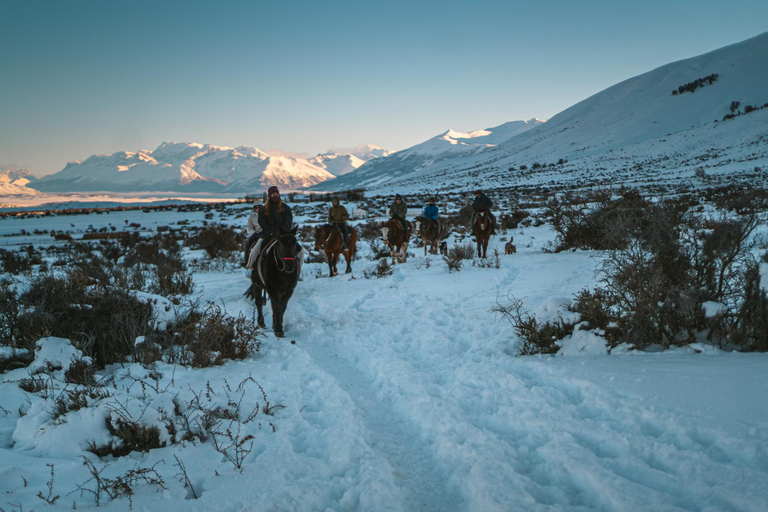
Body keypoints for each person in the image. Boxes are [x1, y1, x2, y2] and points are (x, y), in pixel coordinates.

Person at [247, 185, 295, 271]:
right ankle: (250, 268)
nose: (275, 196)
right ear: (269, 196)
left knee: (300, 251)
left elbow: (288, 223)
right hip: (267, 235)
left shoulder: (286, 208)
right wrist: (273, 232)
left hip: (283, 235)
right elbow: (262, 222)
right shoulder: (264, 209)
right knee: (255, 251)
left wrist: (281, 232)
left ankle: (297, 270)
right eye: (273, 194)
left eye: (276, 194)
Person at [243, 202, 263, 267]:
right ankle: (246, 260)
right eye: (256, 208)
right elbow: (249, 227)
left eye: (259, 207)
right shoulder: (252, 217)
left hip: (265, 233)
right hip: (256, 233)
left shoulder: (266, 215)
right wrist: (254, 233)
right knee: (247, 243)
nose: (257, 209)